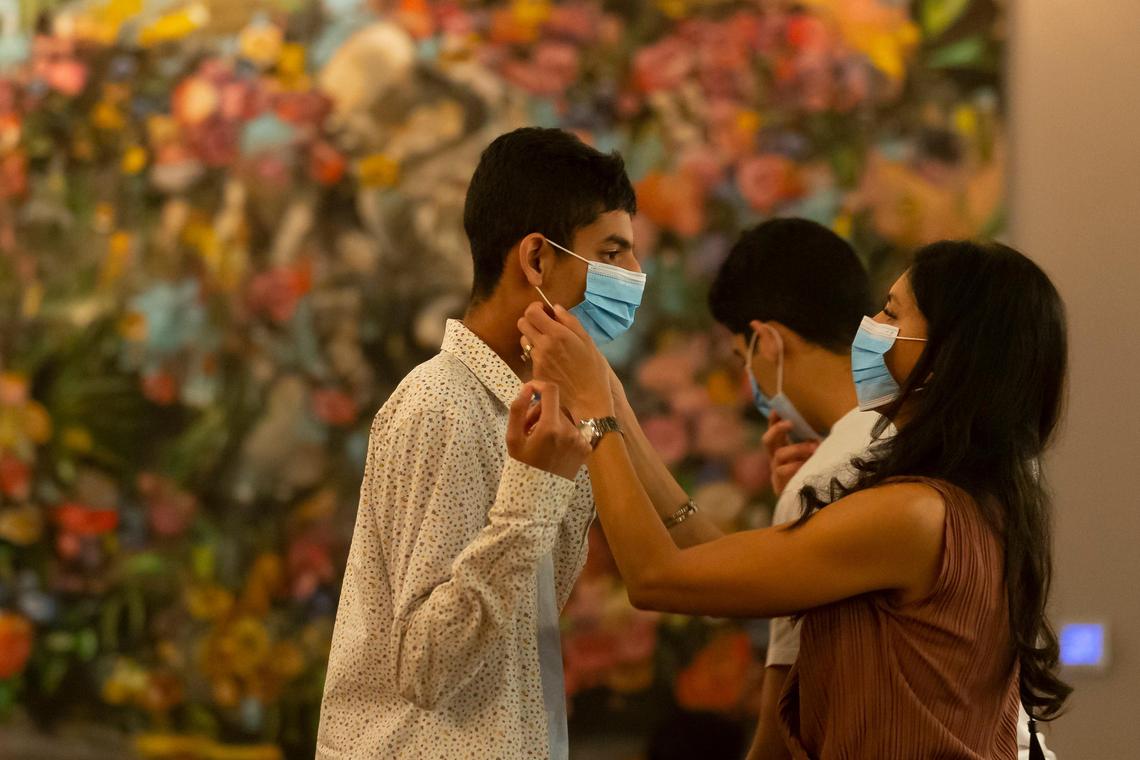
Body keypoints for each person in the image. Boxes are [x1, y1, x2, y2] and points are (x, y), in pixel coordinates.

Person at [514, 239, 1071, 758]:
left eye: (893, 314)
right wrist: (612, 398)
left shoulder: (914, 514)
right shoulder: (980, 501)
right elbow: (715, 559)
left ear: (949, 356)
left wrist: (593, 409)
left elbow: (657, 577)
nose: (870, 327)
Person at [316, 127, 717, 760]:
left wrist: (603, 403)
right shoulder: (440, 405)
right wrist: (533, 490)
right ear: (536, 260)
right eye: (612, 253)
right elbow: (425, 668)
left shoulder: (547, 405)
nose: (635, 276)